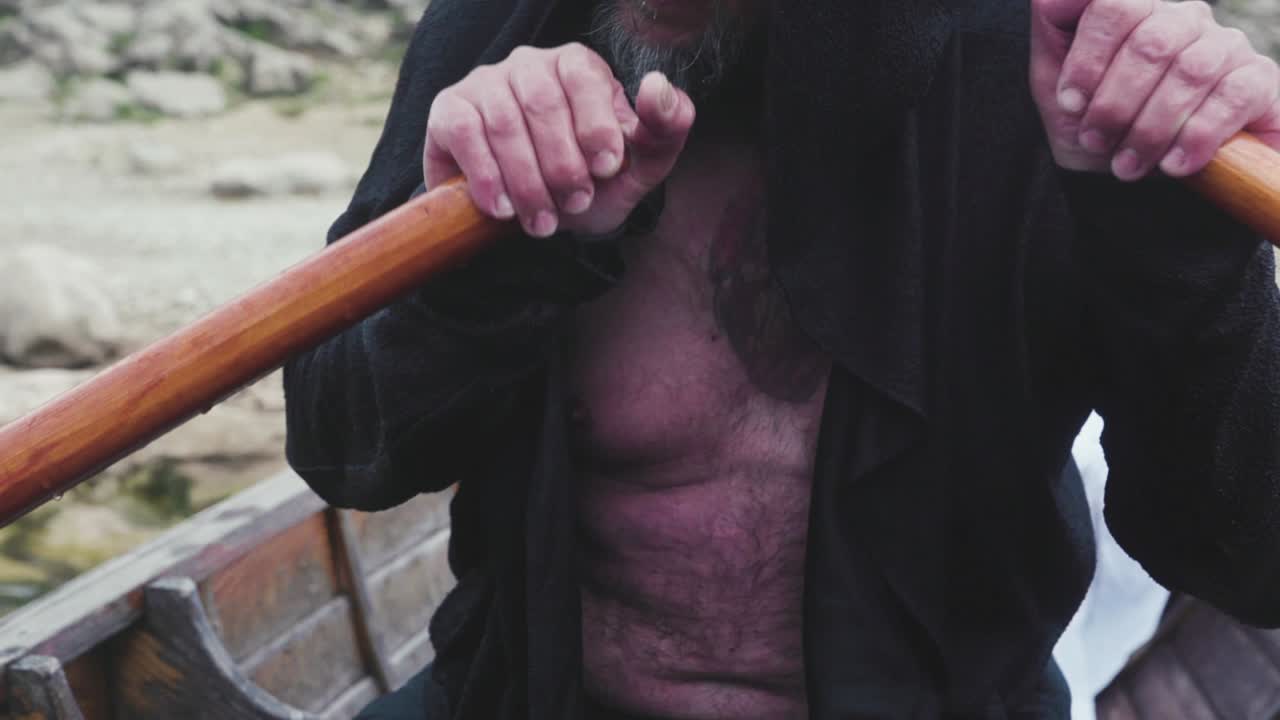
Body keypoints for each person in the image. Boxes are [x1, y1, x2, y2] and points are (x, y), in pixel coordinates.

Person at [281, 0, 1280, 716]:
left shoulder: (1044, 63)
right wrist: (490, 262)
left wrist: (1174, 237)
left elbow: (1248, 559)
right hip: (518, 697)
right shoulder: (499, 33)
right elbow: (339, 447)